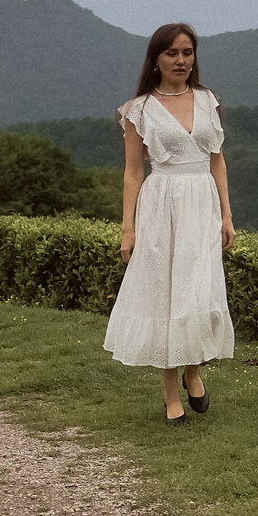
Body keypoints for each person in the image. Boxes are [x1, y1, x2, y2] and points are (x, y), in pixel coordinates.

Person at [105, 23, 236, 422]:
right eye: (172, 53)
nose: (181, 61)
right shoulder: (139, 110)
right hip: (162, 204)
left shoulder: (209, 101)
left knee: (199, 293)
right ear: (156, 59)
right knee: (166, 295)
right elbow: (133, 171)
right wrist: (128, 228)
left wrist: (227, 215)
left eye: (187, 53)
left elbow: (217, 160)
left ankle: (192, 370)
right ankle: (169, 390)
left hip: (202, 204)